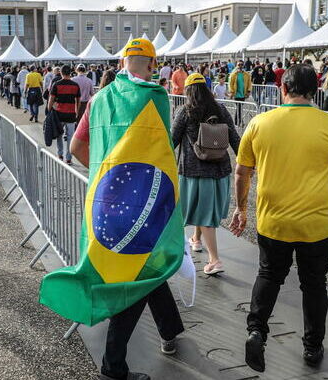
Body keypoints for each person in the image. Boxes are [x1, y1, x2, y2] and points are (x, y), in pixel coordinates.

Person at [65, 37, 184, 380]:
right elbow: (162, 156)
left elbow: (76, 146)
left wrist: (103, 176)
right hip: (143, 203)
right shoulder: (155, 97)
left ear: (121, 63)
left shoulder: (99, 99)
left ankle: (170, 329)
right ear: (151, 64)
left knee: (146, 265)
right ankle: (112, 367)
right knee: (136, 277)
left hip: (107, 199)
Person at [229, 63, 328, 373]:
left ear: (282, 89)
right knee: (314, 285)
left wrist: (241, 208)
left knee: (269, 275)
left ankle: (257, 331)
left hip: (273, 222)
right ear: (315, 92)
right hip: (317, 226)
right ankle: (313, 348)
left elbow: (241, 171)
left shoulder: (260, 123)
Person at [172, 73, 240, 275]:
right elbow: (235, 138)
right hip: (219, 171)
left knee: (204, 215)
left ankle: (215, 260)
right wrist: (246, 164)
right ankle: (196, 239)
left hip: (195, 172)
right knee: (205, 211)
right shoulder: (220, 109)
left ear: (188, 91)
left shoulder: (185, 111)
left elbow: (172, 140)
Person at [47, 65, 80, 165]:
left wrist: (49, 110)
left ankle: (60, 154)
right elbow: (78, 101)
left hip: (59, 114)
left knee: (59, 135)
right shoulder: (75, 85)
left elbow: (51, 99)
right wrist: (77, 112)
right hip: (71, 115)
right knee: (70, 137)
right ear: (70, 73)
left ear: (61, 73)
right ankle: (69, 158)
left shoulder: (56, 84)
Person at [229, 61, 252, 126]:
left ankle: (237, 121)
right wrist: (232, 92)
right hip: (236, 94)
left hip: (243, 94)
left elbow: (249, 83)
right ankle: (238, 121)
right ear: (236, 65)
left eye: (241, 64)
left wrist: (248, 91)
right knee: (238, 107)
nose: (240, 66)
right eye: (239, 65)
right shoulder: (233, 74)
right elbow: (230, 84)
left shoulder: (246, 74)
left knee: (239, 108)